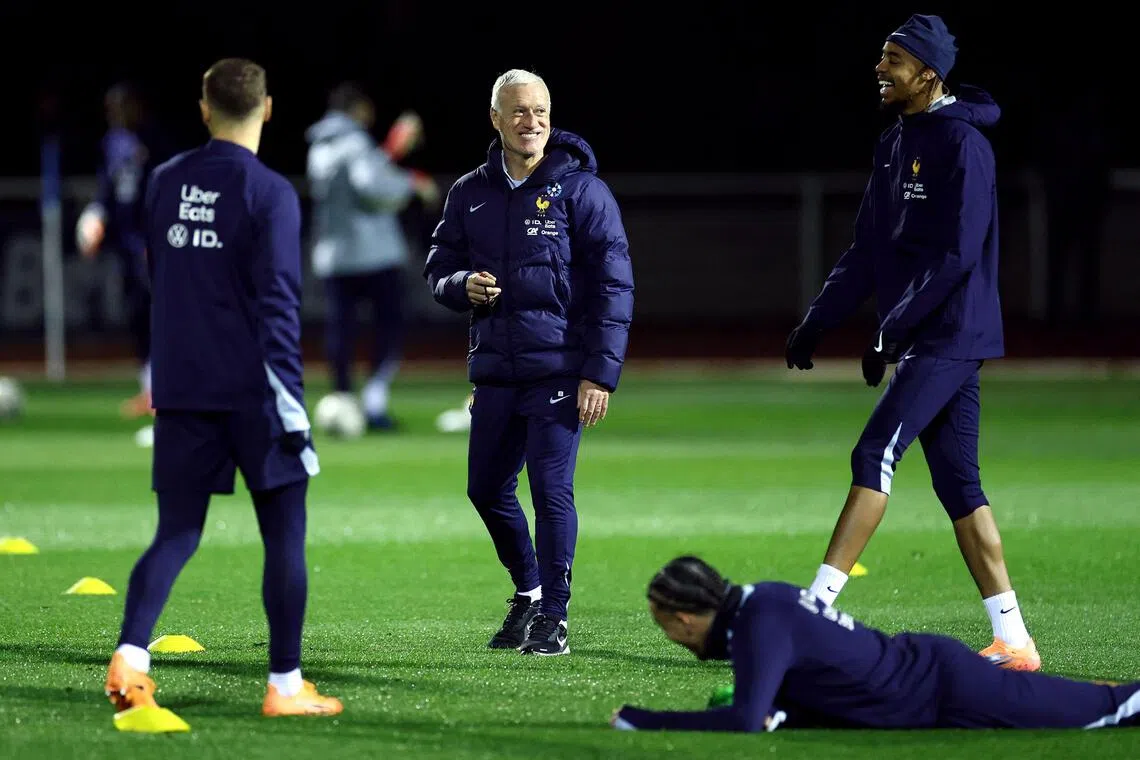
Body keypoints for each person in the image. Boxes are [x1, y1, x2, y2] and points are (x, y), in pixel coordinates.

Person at [783, 14, 1039, 671]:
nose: (880, 67)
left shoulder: (963, 146)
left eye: (893, 59)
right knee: (960, 484)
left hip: (951, 332)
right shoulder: (896, 141)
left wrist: (890, 328)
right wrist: (817, 321)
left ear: (928, 73)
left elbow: (956, 255)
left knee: (875, 451)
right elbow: (866, 250)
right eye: (881, 55)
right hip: (922, 333)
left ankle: (816, 609)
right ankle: (1014, 640)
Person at [102, 58, 341, 719]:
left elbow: (161, 273)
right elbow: (279, 304)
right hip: (254, 391)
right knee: (284, 539)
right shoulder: (270, 192)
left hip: (181, 385)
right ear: (267, 110)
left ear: (205, 108)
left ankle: (131, 655)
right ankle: (285, 687)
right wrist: (291, 403)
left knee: (176, 532)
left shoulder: (164, 180)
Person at [423, 69, 634, 656]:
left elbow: (615, 288)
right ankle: (530, 592)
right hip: (495, 370)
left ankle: (555, 620)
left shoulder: (583, 191)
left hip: (561, 371)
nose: (532, 121)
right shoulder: (470, 192)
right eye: (519, 111)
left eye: (540, 110)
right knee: (485, 489)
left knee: (550, 490)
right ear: (495, 119)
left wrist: (600, 372)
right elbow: (437, 268)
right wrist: (460, 284)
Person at [612, 556, 1140, 732]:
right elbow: (810, 678)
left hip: (943, 688)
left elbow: (745, 722)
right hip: (933, 677)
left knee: (1107, 710)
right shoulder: (761, 602)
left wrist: (642, 718)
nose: (673, 639)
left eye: (667, 628)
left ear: (685, 618)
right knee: (1082, 700)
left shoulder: (758, 623)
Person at [305, 82, 439, 429]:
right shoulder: (355, 143)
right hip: (373, 254)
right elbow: (373, 188)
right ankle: (374, 403)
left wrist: (390, 155)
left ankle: (342, 399)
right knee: (390, 327)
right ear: (357, 109)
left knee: (341, 331)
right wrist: (411, 183)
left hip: (333, 255)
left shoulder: (319, 147)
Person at [76, 82, 174, 429]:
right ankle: (149, 390)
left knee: (163, 315)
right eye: (112, 107)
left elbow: (167, 189)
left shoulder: (155, 142)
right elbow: (108, 189)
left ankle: (171, 390)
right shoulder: (111, 144)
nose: (118, 113)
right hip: (126, 245)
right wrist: (97, 216)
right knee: (136, 314)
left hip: (155, 242)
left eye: (123, 106)